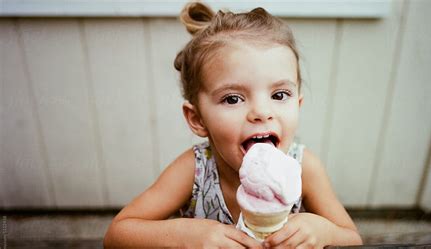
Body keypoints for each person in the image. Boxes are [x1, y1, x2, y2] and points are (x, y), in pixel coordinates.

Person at [104, 2, 362, 248]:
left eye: (279, 95)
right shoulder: (194, 170)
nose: (261, 112)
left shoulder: (304, 168)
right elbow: (117, 234)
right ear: (198, 119)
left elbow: (353, 239)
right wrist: (183, 234)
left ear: (298, 104)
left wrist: (322, 231)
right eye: (233, 99)